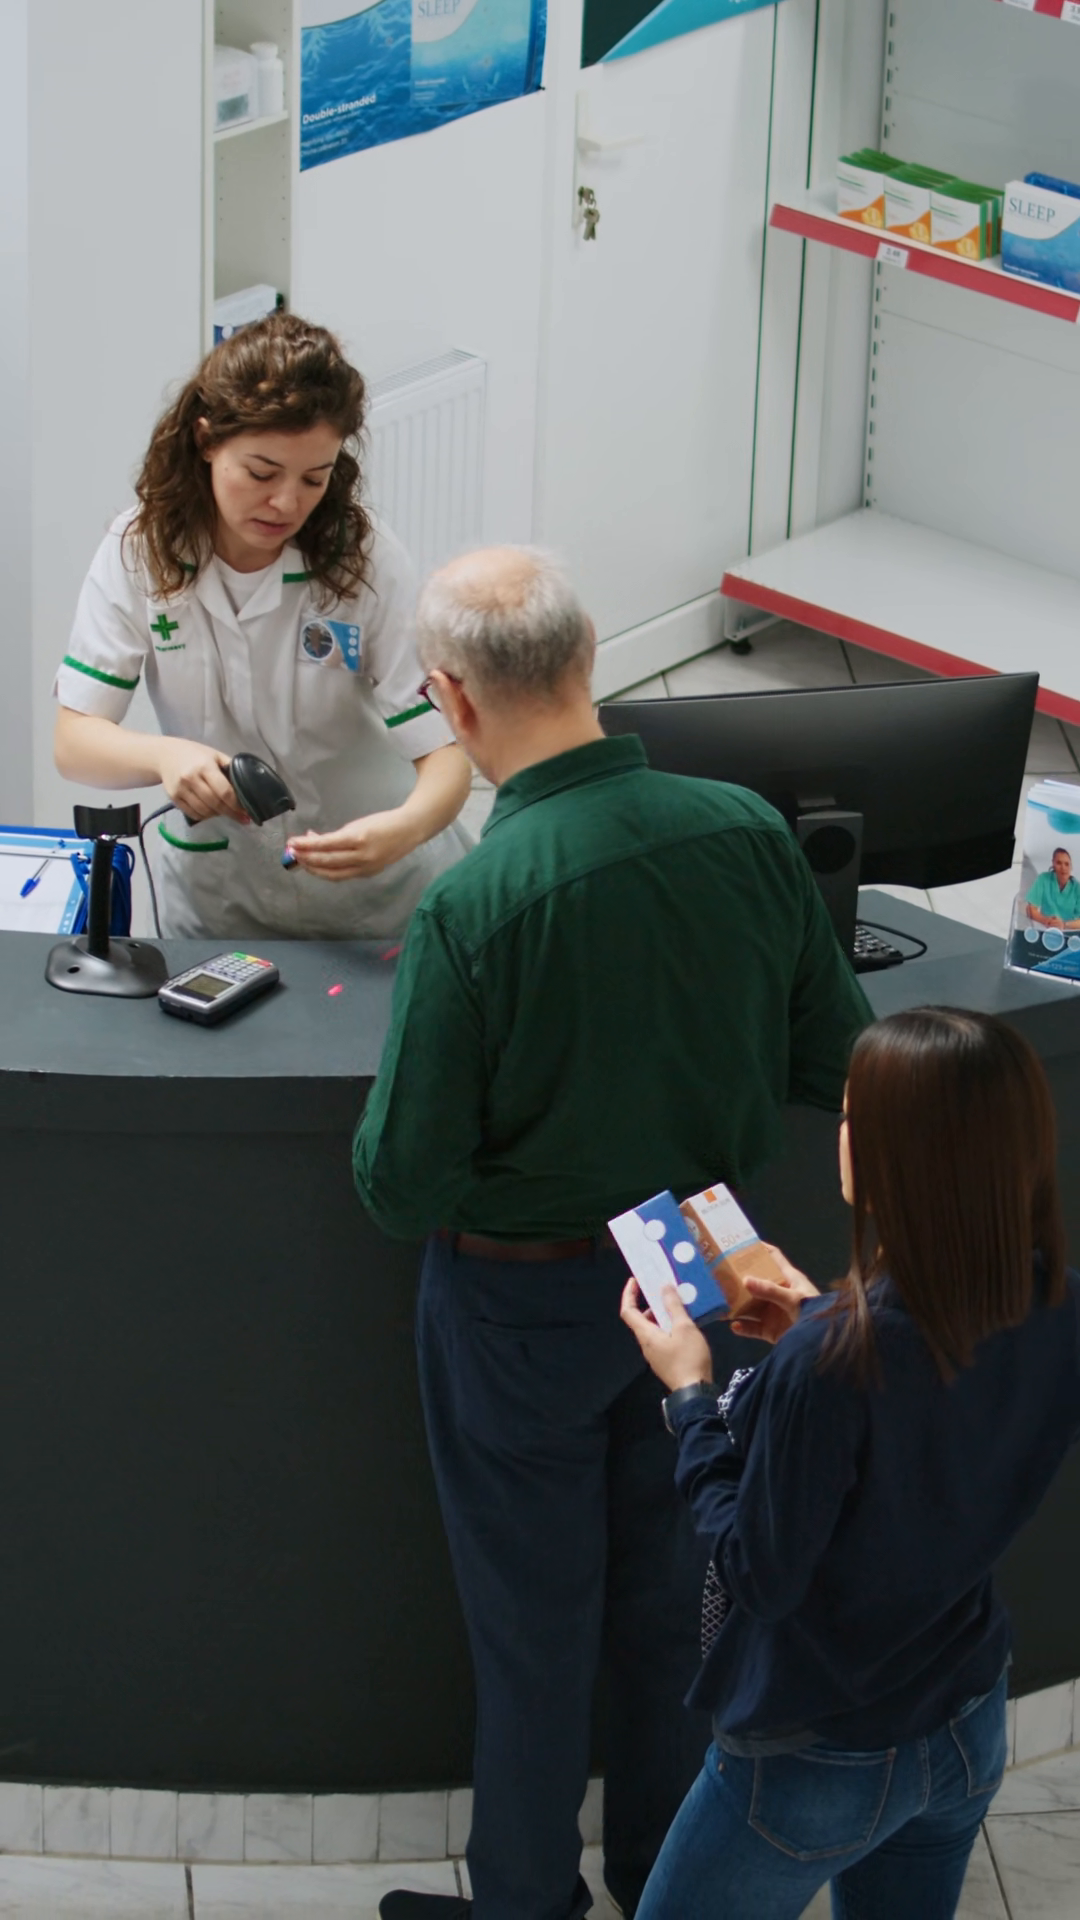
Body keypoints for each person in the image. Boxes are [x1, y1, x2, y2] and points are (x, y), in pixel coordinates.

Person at [352, 546, 872, 1920]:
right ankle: (666, 1888)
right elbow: (842, 1054)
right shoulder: (747, 833)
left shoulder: (471, 908)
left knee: (532, 1636)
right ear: (590, 662)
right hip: (702, 1284)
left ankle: (526, 1902)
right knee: (678, 1612)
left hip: (518, 1315)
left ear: (451, 701)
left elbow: (402, 1186)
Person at [621, 1006, 1079, 1920]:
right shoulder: (1057, 1304)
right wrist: (821, 1326)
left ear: (883, 1156)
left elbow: (758, 1573)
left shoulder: (829, 1363)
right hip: (967, 1719)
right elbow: (938, 1432)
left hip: (817, 1762)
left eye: (848, 1115)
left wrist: (692, 1396)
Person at [53, 313, 472, 938]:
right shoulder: (140, 550)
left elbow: (448, 756)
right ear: (206, 440)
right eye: (261, 473)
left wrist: (403, 830)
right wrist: (165, 754)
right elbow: (75, 742)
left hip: (378, 895)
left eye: (314, 478)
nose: (286, 503)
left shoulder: (363, 557)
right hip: (222, 899)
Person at [1025, 846, 1080, 931]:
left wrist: (1064, 924)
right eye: (1059, 863)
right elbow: (1030, 909)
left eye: (1067, 864)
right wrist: (1046, 921)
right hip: (1046, 929)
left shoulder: (1077, 888)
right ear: (1053, 864)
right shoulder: (1043, 879)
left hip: (1069, 933)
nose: (1063, 868)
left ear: (1071, 867)